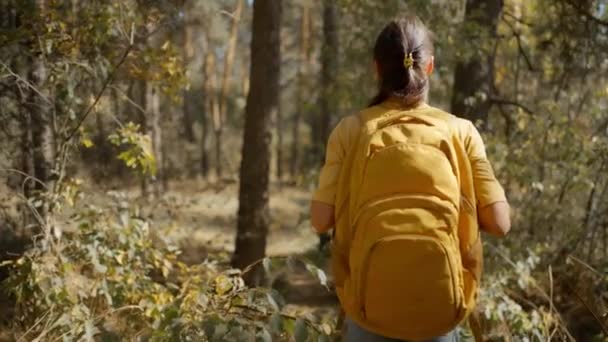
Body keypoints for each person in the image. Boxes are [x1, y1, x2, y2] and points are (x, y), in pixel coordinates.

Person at [310, 16, 511, 342]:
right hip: (441, 312)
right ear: (429, 66)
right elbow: (500, 223)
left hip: (367, 311)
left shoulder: (351, 131)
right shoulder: (461, 132)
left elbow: (320, 220)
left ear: (377, 68)